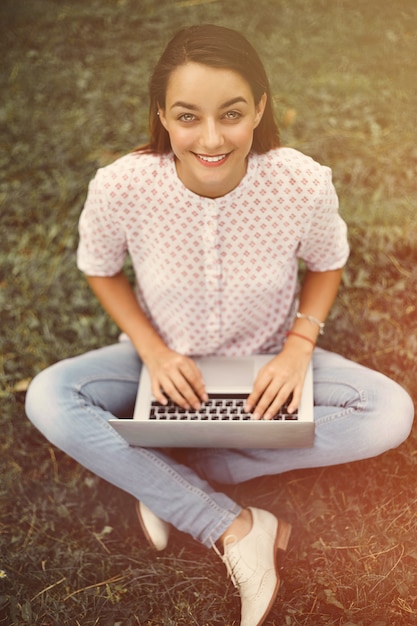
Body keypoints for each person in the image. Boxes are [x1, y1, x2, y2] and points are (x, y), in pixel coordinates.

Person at [25, 24, 414, 626]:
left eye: (231, 113)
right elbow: (99, 269)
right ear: (162, 113)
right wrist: (153, 352)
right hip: (158, 365)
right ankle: (232, 524)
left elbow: (328, 260)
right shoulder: (122, 185)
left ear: (260, 107)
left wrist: (297, 347)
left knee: (389, 412)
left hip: (264, 362)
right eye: (187, 116)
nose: (211, 138)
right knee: (50, 397)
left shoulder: (301, 181)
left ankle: (164, 476)